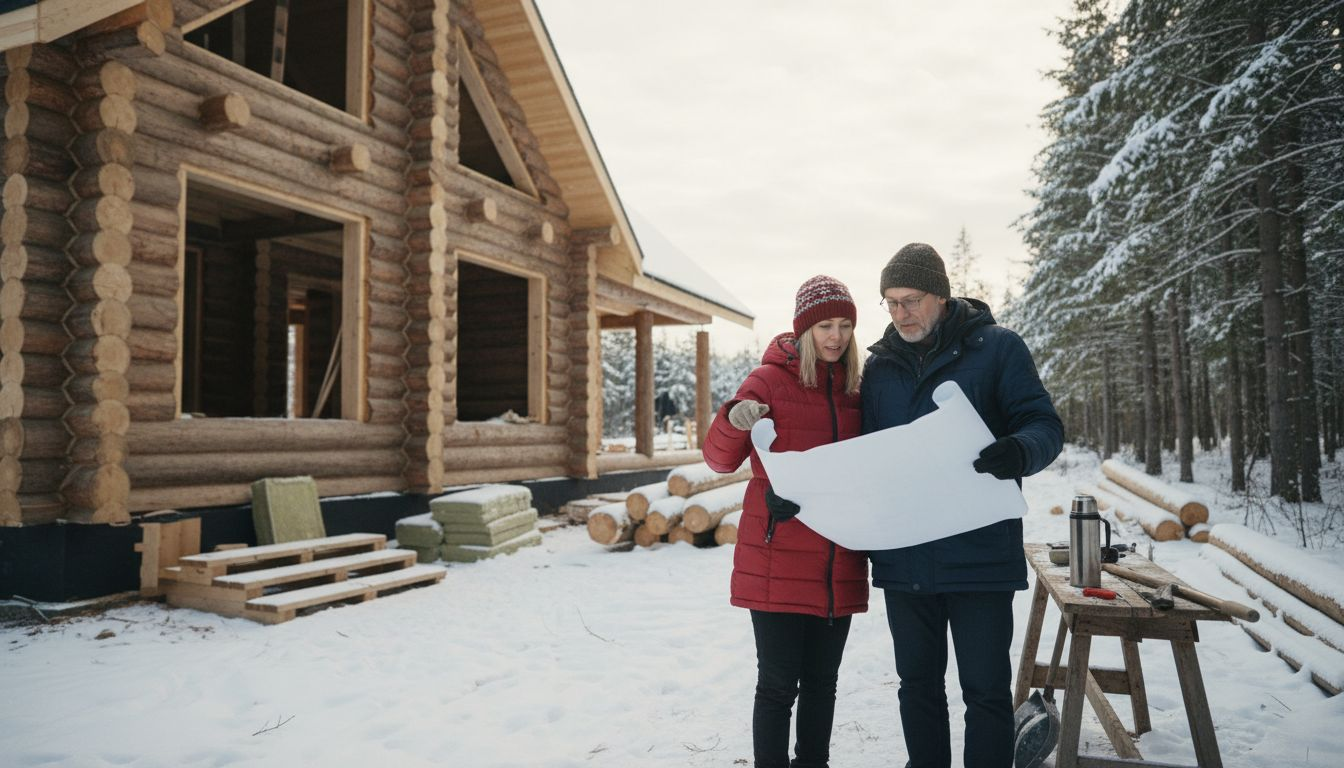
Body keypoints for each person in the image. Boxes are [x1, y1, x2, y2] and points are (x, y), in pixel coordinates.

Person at [862, 243, 1063, 768]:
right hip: (905, 559)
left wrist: (1019, 449)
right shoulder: (879, 369)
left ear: (941, 296)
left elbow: (1044, 425)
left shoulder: (997, 349)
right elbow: (860, 454)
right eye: (890, 302)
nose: (900, 314)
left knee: (986, 694)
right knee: (918, 689)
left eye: (910, 300)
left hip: (980, 559)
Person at [702, 275, 870, 768]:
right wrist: (733, 420)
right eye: (823, 326)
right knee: (778, 686)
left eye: (843, 325)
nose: (835, 336)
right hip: (777, 557)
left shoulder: (858, 388)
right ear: (803, 331)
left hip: (837, 558)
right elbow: (718, 459)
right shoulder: (769, 379)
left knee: (823, 684)